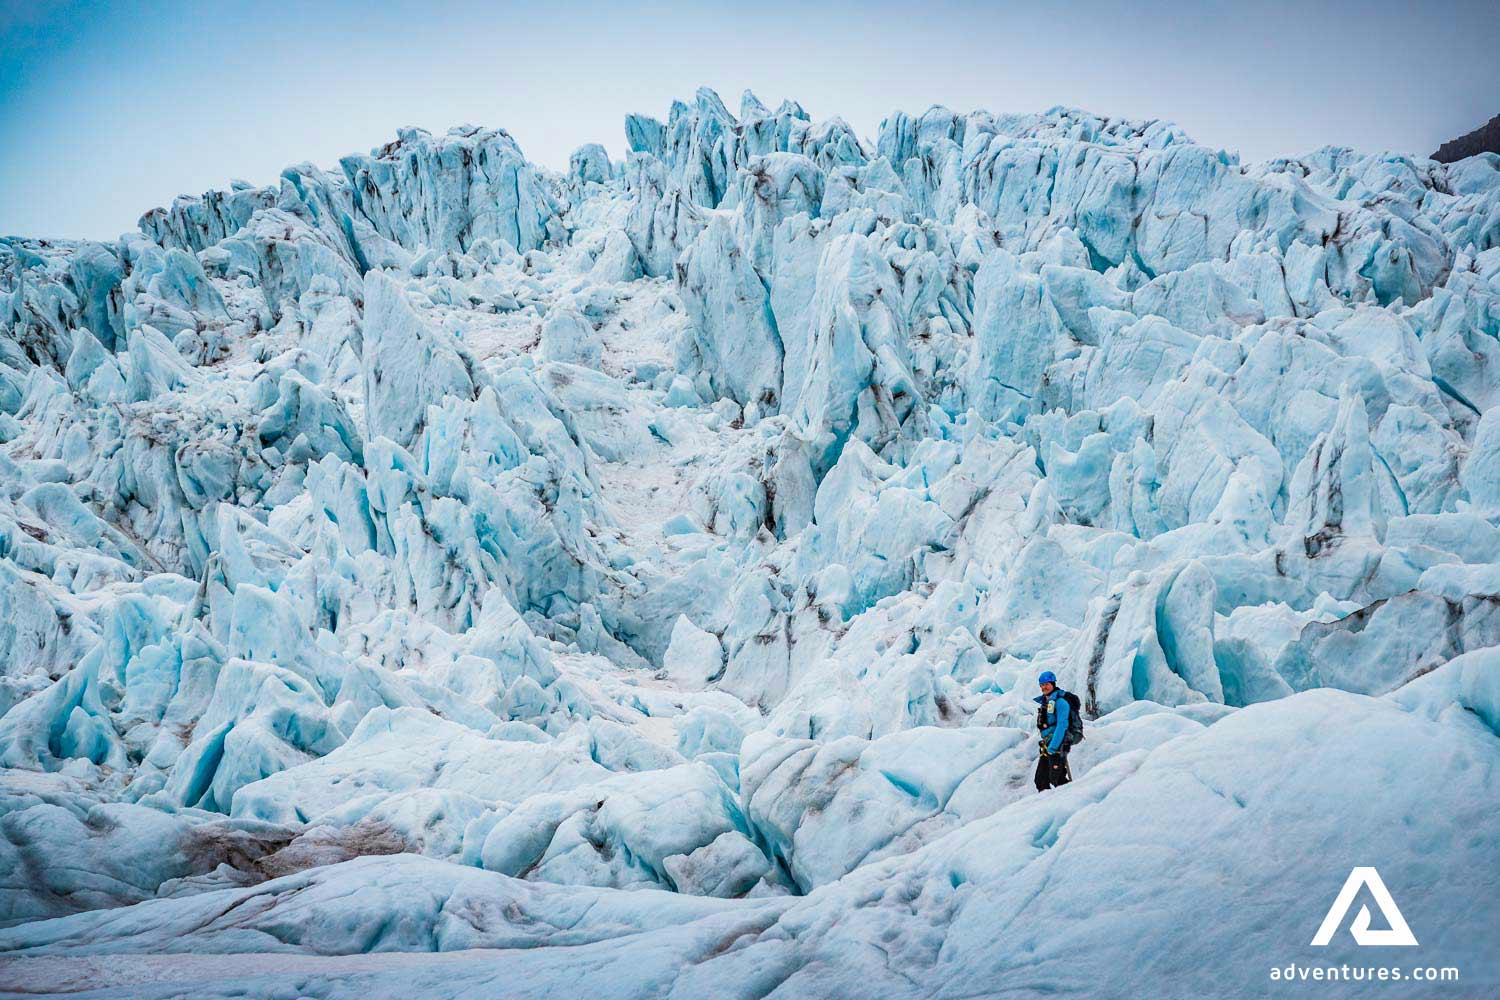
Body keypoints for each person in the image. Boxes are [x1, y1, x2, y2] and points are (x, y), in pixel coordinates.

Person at [1033, 670, 1074, 791]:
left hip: (1057, 746)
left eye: (1046, 684)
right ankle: (1046, 805)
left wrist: (1053, 747)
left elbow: (1062, 725)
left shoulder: (1061, 702)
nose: (1044, 687)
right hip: (1048, 745)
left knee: (1057, 779)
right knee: (1040, 780)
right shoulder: (1046, 702)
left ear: (1053, 684)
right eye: (1042, 685)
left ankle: (1071, 801)